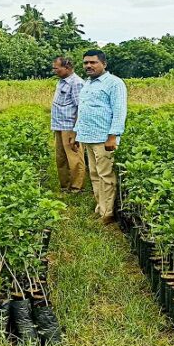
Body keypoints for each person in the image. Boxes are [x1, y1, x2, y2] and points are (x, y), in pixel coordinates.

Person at [73, 50, 127, 225]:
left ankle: (108, 213)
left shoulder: (114, 83)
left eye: (93, 62)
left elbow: (119, 112)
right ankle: (100, 207)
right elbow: (83, 110)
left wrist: (113, 136)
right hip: (88, 135)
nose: (88, 66)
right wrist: (77, 133)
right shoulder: (88, 84)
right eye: (86, 63)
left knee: (105, 175)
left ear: (104, 64)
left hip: (104, 137)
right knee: (94, 174)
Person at [50, 56, 85, 193]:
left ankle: (77, 187)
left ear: (67, 68)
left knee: (74, 157)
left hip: (69, 126)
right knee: (60, 157)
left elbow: (80, 108)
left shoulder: (76, 83)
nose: (54, 70)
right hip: (58, 125)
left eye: (56, 68)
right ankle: (65, 186)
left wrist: (76, 131)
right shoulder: (61, 81)